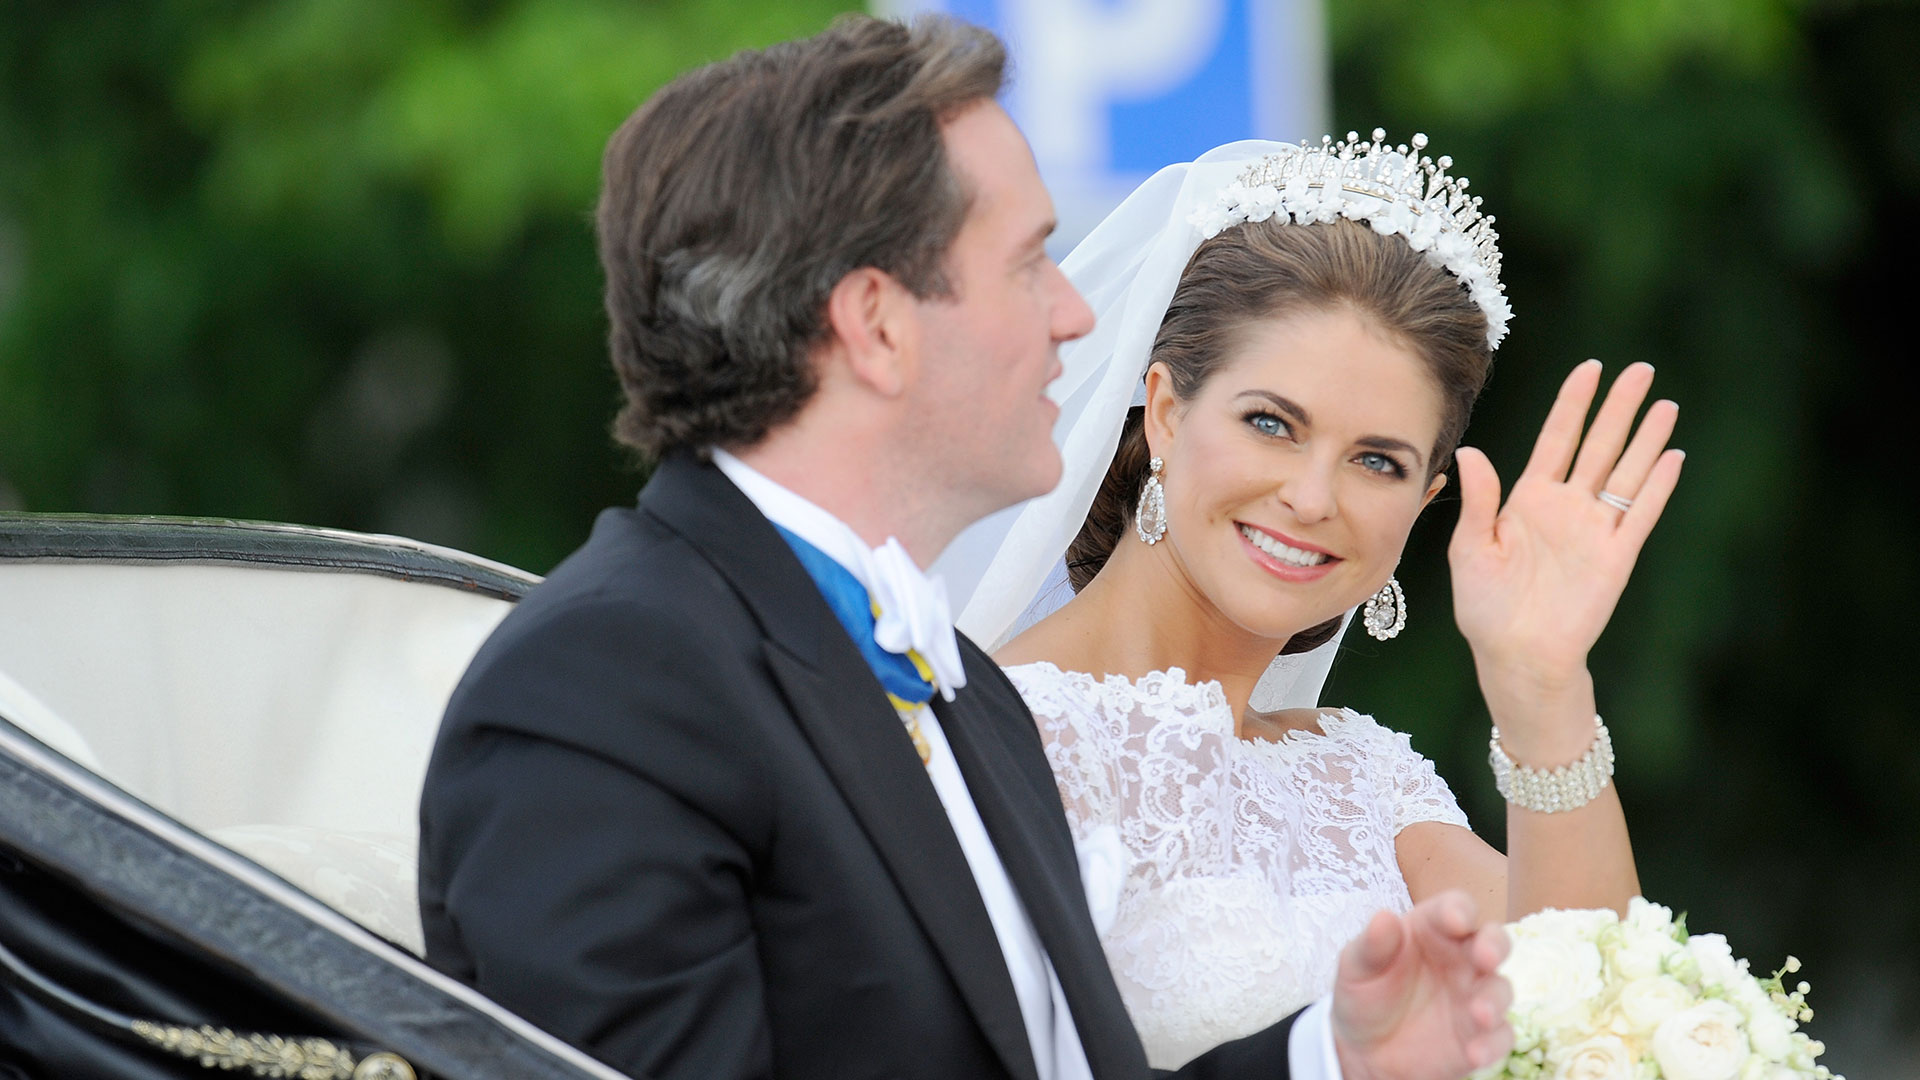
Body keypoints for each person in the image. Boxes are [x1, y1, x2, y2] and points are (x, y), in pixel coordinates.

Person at [418, 17, 1513, 1080]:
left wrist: (1330, 1058)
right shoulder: (608, 683)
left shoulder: (966, 696)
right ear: (879, 324)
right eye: (1029, 262)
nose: (1080, 315)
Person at [936, 134, 1682, 1068]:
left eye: (1378, 461)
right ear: (1165, 411)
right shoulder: (986, 735)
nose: (1314, 497)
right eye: (1270, 424)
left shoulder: (1365, 777)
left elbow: (1595, 1015)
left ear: (1424, 501)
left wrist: (1542, 684)